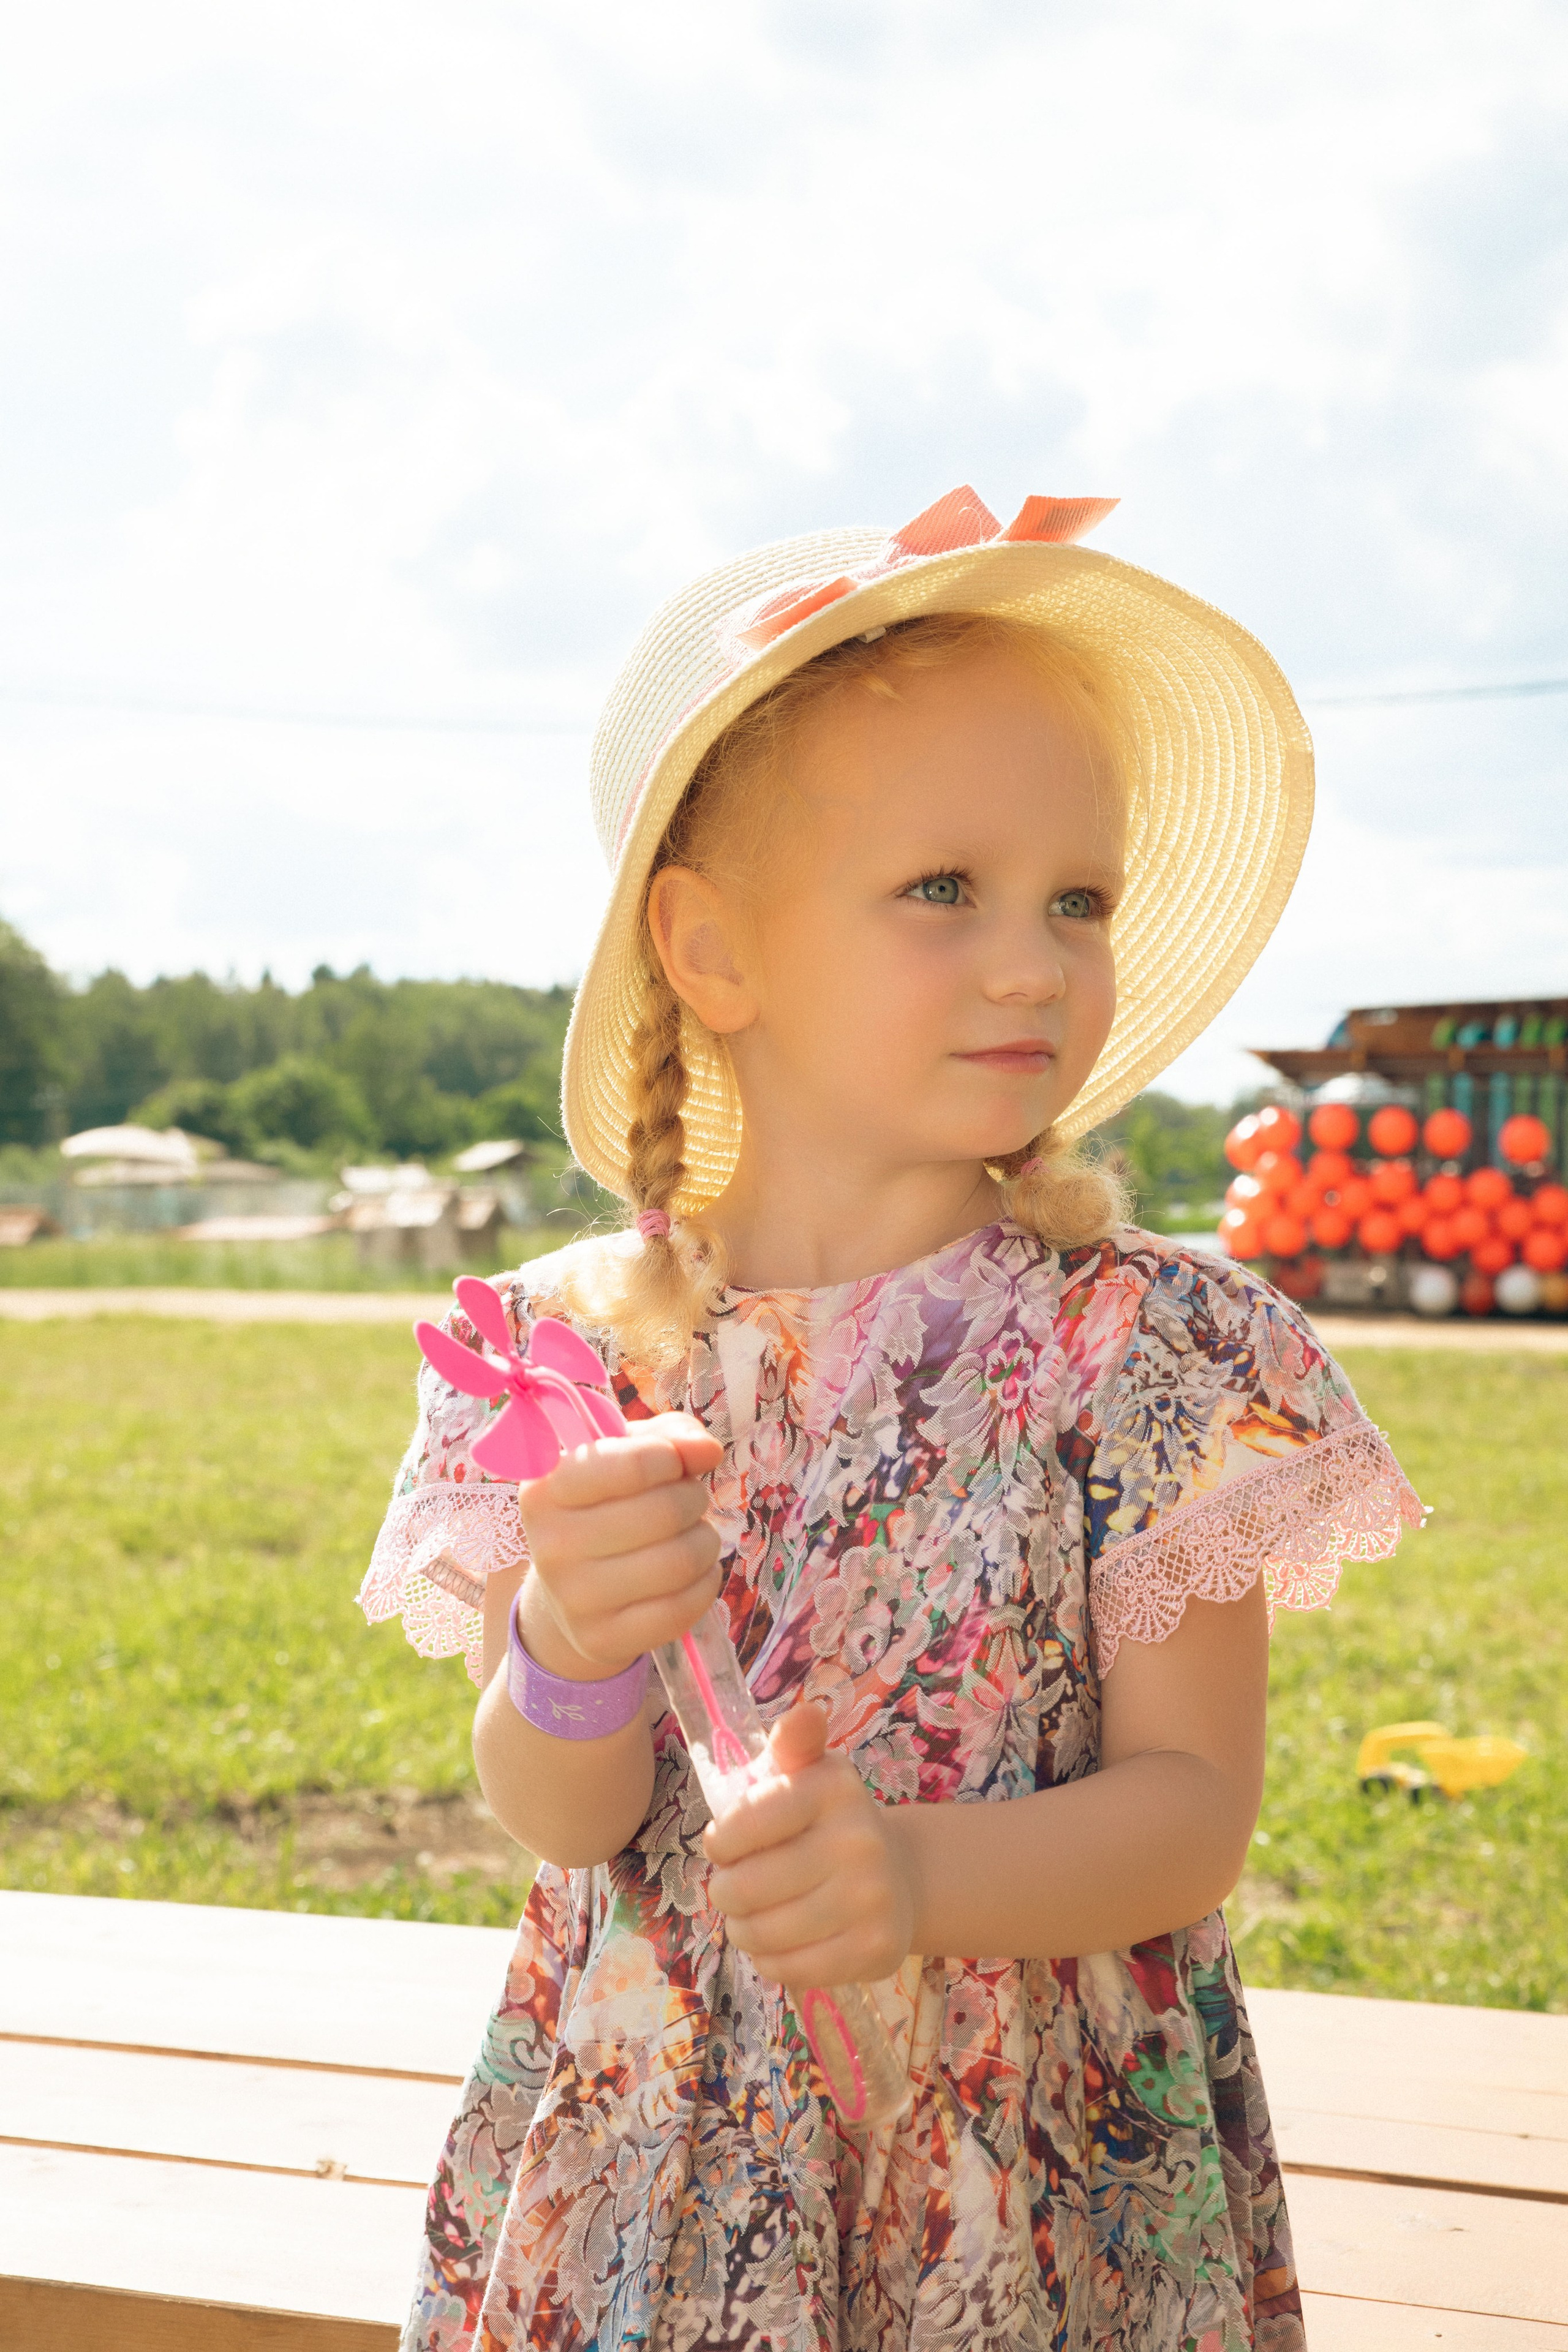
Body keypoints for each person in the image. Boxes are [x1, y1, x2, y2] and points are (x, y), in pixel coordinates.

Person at [360, 485, 1424, 2351]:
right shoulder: (576, 1364)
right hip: (664, 2158)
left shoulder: (1140, 1347)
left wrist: (919, 1875)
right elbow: (558, 1814)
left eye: (1075, 901)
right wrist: (569, 1644)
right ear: (712, 952)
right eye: (945, 889)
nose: (1035, 960)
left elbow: (1191, 1815)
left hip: (1031, 2175)